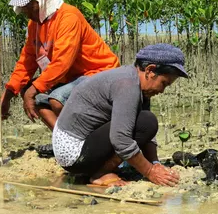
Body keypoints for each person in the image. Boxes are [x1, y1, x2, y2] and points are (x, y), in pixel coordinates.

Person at [52, 43, 189, 186]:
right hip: (73, 154)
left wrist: (155, 163)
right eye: (164, 83)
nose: (162, 91)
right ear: (150, 70)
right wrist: (150, 172)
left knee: (146, 121)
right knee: (147, 121)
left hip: (82, 147)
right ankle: (100, 173)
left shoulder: (139, 86)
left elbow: (147, 134)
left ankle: (100, 168)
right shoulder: (127, 85)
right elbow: (121, 139)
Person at [1, 0, 120, 130]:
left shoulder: (68, 17)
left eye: (29, 6)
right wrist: (8, 94)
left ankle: (86, 142)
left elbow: (61, 63)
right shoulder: (34, 24)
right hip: (72, 78)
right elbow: (27, 61)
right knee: (33, 96)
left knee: (57, 100)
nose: (26, 12)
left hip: (100, 73)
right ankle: (64, 142)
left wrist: (32, 90)